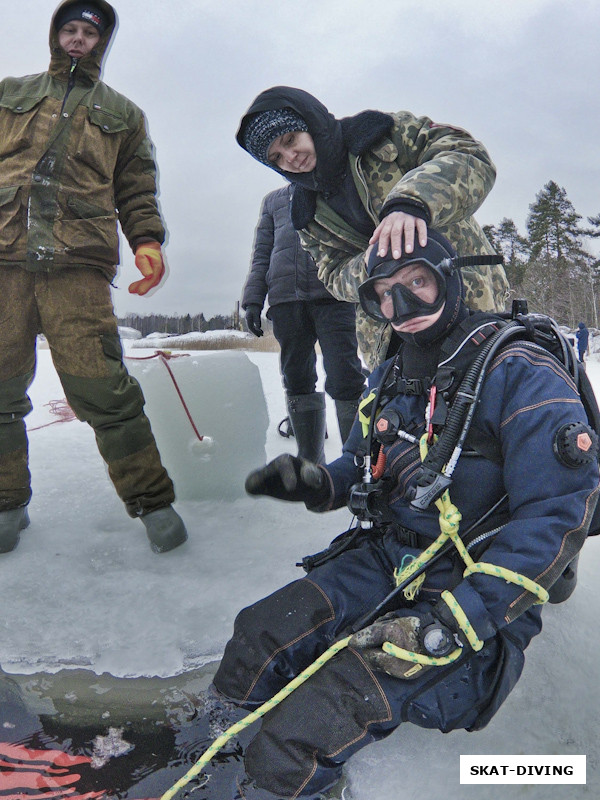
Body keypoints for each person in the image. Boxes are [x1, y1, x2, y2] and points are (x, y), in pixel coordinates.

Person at [194, 230, 599, 799]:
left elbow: (556, 515)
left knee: (308, 727)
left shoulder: (518, 371)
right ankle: (203, 755)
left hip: (477, 599)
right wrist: (317, 482)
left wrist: (455, 621)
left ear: (450, 280)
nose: (400, 306)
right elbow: (364, 462)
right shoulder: (392, 373)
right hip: (390, 556)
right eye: (384, 293)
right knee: (258, 635)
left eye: (417, 283)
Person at [0, 1, 187, 555]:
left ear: (102, 42)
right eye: (69, 29)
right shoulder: (9, 93)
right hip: (4, 259)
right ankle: (7, 503)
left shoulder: (123, 114)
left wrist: (147, 242)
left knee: (103, 388)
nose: (78, 39)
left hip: (77, 265)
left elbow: (136, 187)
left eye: (89, 31)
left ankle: (153, 504)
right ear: (55, 35)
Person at [236, 86, 510, 372]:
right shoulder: (306, 215)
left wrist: (411, 203)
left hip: (470, 301)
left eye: (290, 140)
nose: (290, 157)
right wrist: (368, 263)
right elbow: (332, 274)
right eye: (277, 157)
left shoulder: (384, 134)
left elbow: (468, 155)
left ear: (311, 121)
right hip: (391, 331)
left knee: (487, 396)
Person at [242, 185, 365, 463]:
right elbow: (262, 253)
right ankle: (311, 462)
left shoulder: (334, 186)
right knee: (296, 377)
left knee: (345, 376)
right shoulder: (273, 200)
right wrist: (252, 300)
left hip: (334, 295)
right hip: (285, 300)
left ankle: (356, 463)